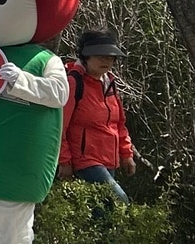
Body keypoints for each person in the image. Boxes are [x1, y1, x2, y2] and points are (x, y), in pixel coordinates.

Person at [58, 29, 136, 203]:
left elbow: (118, 124)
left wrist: (126, 154)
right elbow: (59, 125)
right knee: (120, 201)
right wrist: (64, 161)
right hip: (84, 161)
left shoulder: (110, 83)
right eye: (100, 55)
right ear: (86, 57)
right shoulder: (73, 82)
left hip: (109, 160)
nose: (106, 60)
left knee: (102, 216)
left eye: (110, 57)